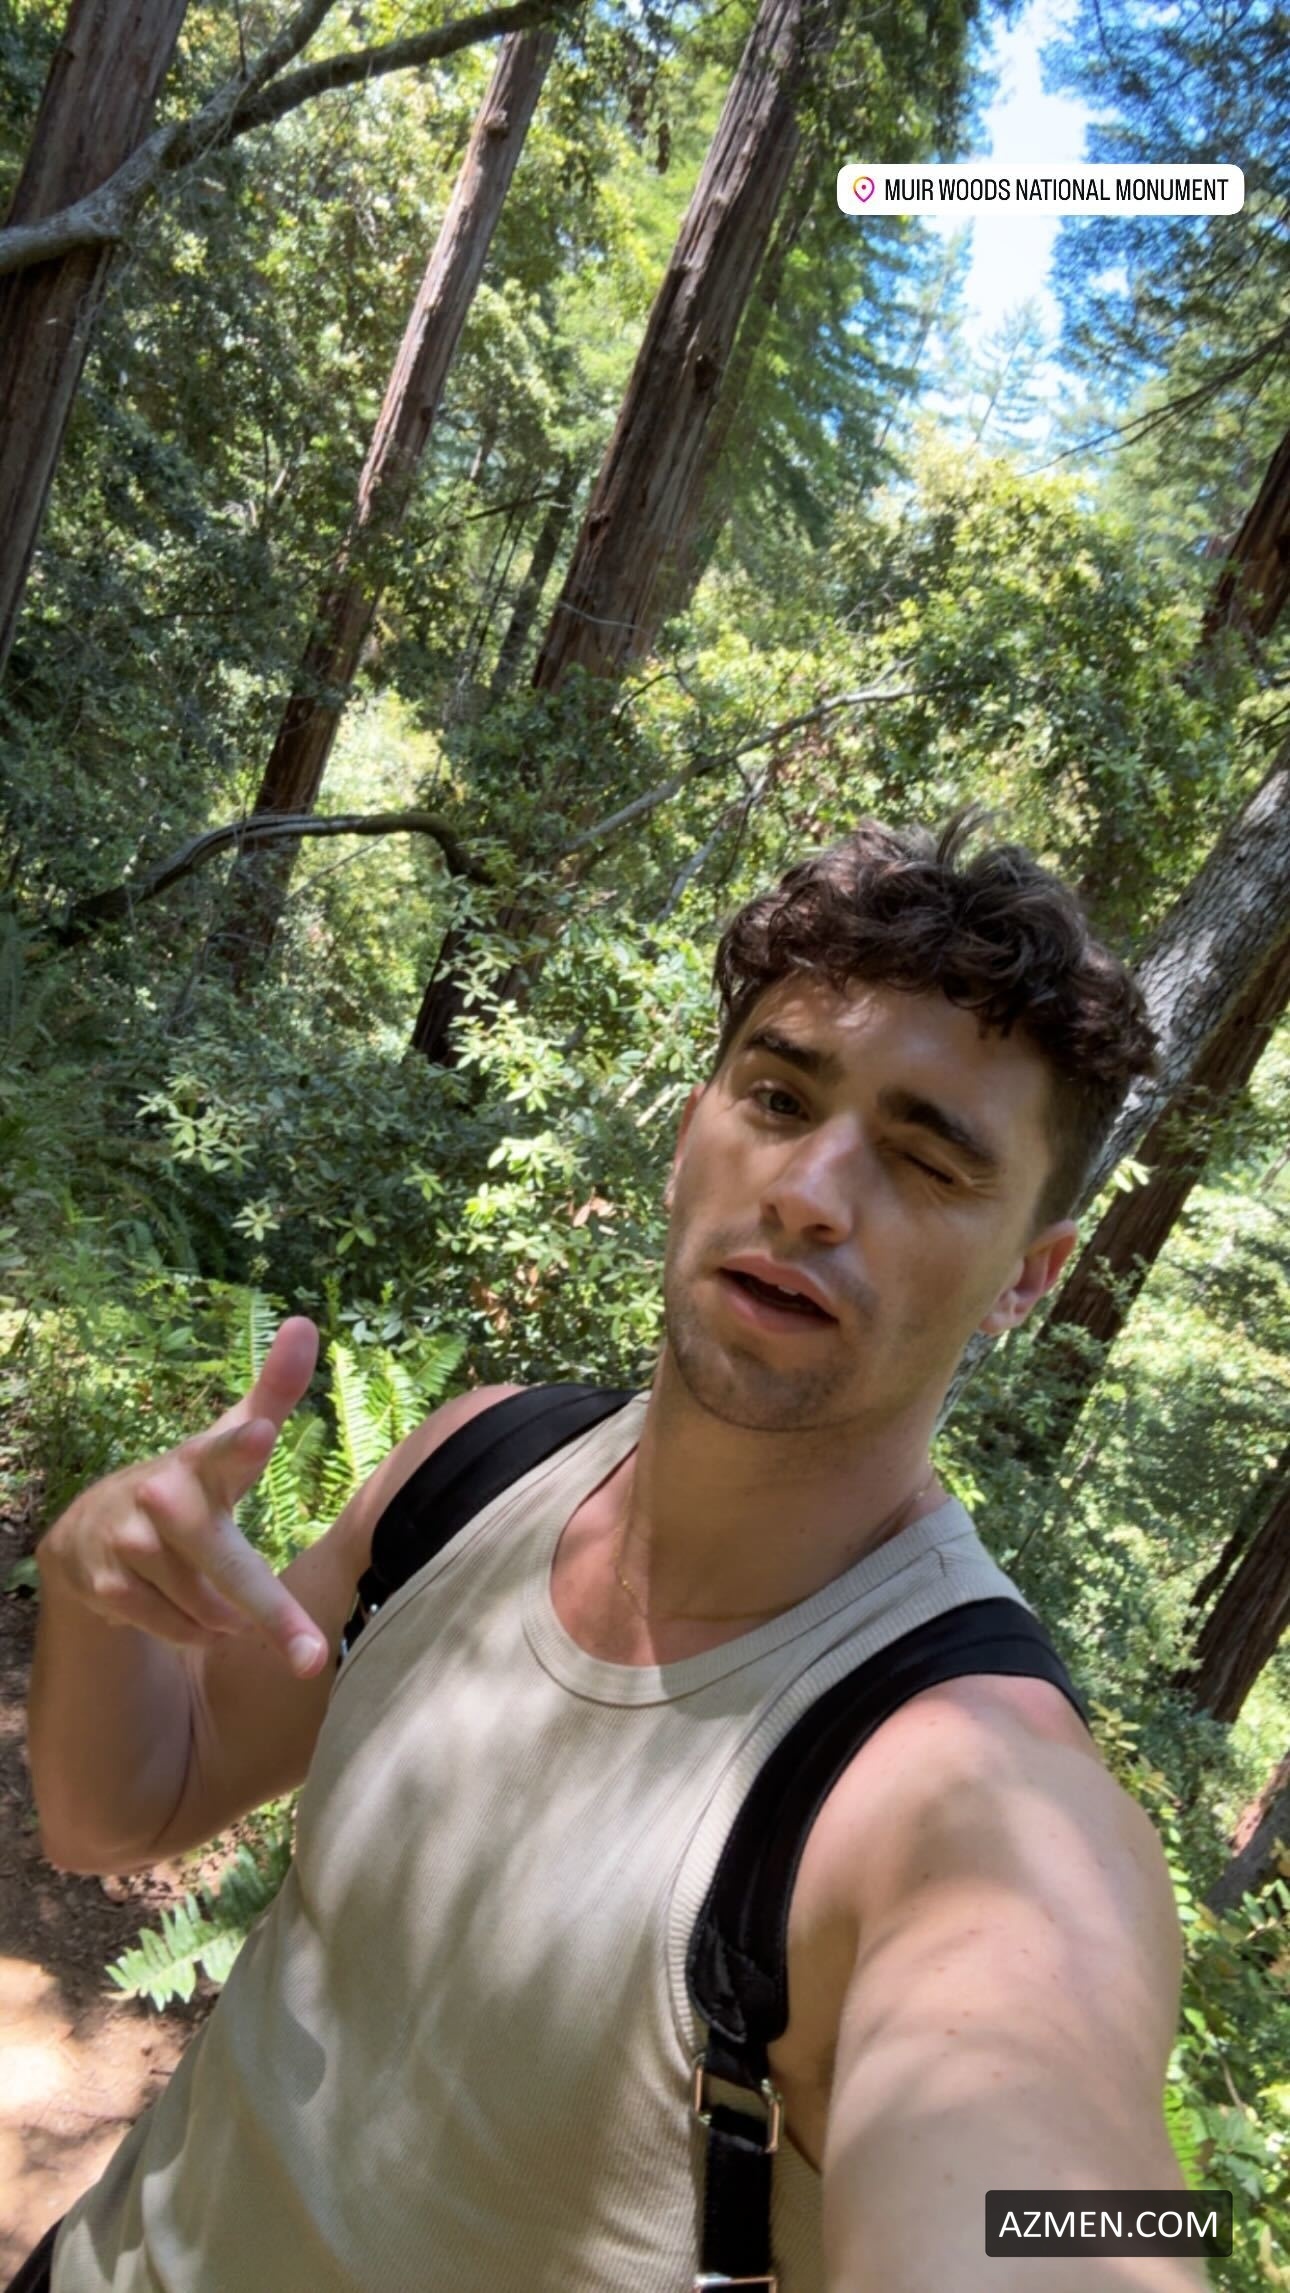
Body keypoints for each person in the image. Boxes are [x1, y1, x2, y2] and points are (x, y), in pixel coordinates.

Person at [20, 813, 1207, 2293]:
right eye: (778, 1096)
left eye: (924, 1159)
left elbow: (1068, 2216)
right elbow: (121, 1808)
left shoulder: (970, 1802)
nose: (810, 1190)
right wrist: (95, 1588)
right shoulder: (476, 1465)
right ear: (692, 1130)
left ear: (1028, 1275)